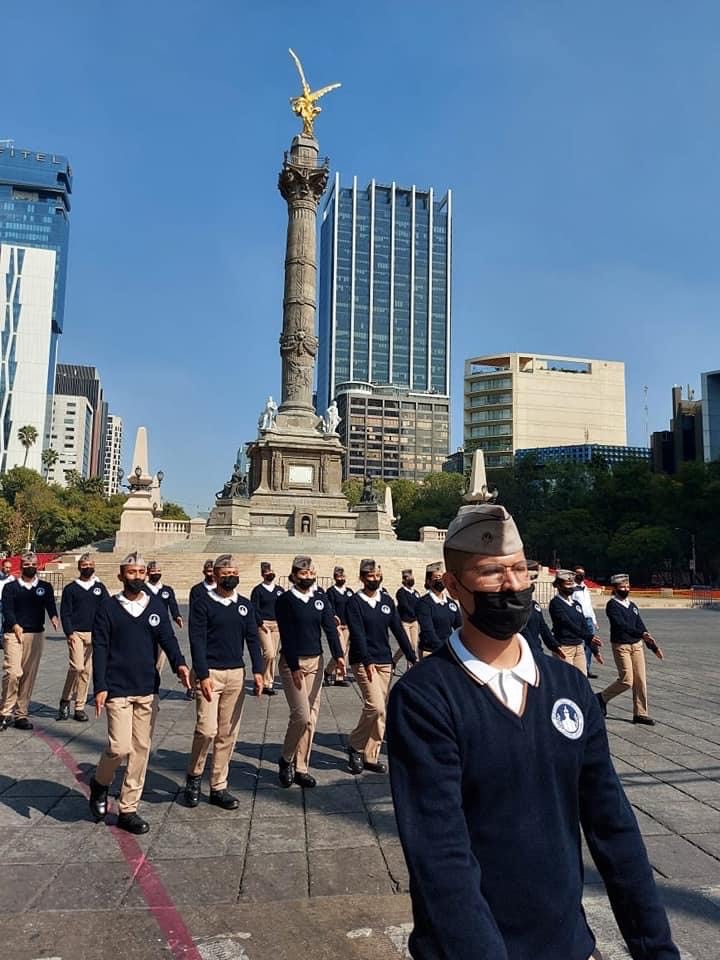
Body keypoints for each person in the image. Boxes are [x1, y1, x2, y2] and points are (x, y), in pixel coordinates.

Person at [387, 503, 681, 960]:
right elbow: (440, 856)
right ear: (453, 586)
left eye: (520, 569)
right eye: (490, 573)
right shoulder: (425, 697)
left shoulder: (568, 686)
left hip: (567, 944)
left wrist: (656, 948)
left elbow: (613, 826)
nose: (512, 585)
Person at [88, 552, 190, 834]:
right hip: (117, 687)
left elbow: (167, 638)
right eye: (131, 572)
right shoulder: (108, 608)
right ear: (121, 576)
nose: (137, 577)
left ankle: (128, 808)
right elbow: (100, 647)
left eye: (141, 572)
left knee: (141, 749)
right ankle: (100, 782)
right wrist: (100, 686)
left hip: (147, 686)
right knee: (119, 747)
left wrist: (179, 664)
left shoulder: (155, 605)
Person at [184, 554, 264, 809]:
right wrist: (203, 673)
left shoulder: (245, 605)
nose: (231, 576)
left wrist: (258, 671)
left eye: (234, 572)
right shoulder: (202, 603)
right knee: (207, 730)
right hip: (211, 673)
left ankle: (219, 785)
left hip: (236, 674)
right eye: (225, 573)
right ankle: (194, 776)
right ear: (215, 575)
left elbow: (252, 638)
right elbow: (196, 639)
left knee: (228, 732)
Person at [275, 556, 344, 789]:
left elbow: (330, 629)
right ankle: (286, 759)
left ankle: (302, 766)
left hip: (316, 660)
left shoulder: (320, 597)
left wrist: (339, 655)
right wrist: (294, 666)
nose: (307, 577)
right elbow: (286, 634)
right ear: (294, 575)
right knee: (301, 715)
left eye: (311, 573)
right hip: (292, 663)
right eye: (302, 574)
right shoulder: (285, 600)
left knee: (312, 718)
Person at [346, 559, 417, 775]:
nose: (374, 579)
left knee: (382, 711)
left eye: (377, 576)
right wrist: (366, 661)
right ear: (361, 578)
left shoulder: (386, 601)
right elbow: (357, 634)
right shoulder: (354, 602)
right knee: (374, 706)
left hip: (385, 660)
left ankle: (371, 755)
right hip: (363, 660)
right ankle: (355, 745)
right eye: (370, 576)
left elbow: (397, 629)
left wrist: (412, 657)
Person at [0, 552, 59, 731]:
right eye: (26, 564)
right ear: (22, 565)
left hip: (35, 634)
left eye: (33, 563)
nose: (30, 566)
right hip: (14, 634)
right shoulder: (11, 587)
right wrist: (15, 625)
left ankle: (21, 714)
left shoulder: (45, 587)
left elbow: (50, 604)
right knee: (13, 673)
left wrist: (54, 617)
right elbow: (7, 609)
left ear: (37, 565)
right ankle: (5, 711)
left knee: (28, 675)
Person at [598, 574, 665, 726]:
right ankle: (602, 697)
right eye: (622, 587)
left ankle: (641, 713)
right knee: (627, 680)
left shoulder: (632, 605)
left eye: (627, 587)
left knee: (640, 680)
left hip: (637, 646)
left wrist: (652, 646)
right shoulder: (612, 606)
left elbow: (640, 626)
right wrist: (640, 634)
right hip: (621, 645)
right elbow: (621, 625)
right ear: (615, 588)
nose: (625, 589)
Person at [57, 553, 109, 722]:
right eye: (85, 565)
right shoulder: (71, 588)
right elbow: (65, 613)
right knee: (77, 667)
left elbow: (108, 609)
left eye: (90, 565)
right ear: (79, 567)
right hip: (77, 633)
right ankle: (65, 699)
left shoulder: (99, 588)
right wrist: (69, 632)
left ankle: (79, 706)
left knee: (87, 671)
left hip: (94, 633)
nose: (88, 568)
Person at [549, 569, 603, 676]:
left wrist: (595, 650)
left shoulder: (576, 604)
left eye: (571, 584)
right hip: (564, 647)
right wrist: (587, 636)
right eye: (567, 584)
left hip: (578, 647)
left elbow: (584, 626)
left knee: (582, 680)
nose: (570, 587)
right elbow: (567, 624)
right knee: (566, 681)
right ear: (559, 585)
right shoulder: (556, 604)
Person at [250, 561, 284, 695]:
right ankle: (261, 680)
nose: (270, 574)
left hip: (277, 625)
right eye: (267, 572)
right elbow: (254, 608)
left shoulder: (279, 590)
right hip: (264, 624)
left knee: (272, 655)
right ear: (263, 574)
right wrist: (260, 623)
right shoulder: (258, 590)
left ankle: (267, 683)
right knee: (268, 653)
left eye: (271, 571)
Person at [416, 562, 462, 659]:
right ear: (429, 581)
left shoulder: (451, 604)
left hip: (449, 650)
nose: (439, 580)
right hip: (430, 651)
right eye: (436, 578)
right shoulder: (424, 603)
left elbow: (460, 626)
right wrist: (442, 649)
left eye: (441, 577)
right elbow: (428, 630)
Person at [324, 565, 353, 687]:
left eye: (343, 576)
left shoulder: (349, 591)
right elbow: (329, 607)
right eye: (339, 576)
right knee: (340, 649)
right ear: (335, 577)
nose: (341, 578)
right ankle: (327, 672)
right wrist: (333, 616)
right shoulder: (331, 591)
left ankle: (338, 676)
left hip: (347, 624)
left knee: (345, 651)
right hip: (337, 625)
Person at [524, 560, 560, 658]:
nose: (532, 585)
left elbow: (543, 626)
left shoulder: (534, 605)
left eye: (533, 581)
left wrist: (554, 645)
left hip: (537, 651)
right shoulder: (512, 608)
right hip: (524, 653)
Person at [573, 565, 600, 678]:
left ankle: (587, 668)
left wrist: (594, 620)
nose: (581, 575)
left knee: (590, 645)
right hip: (579, 620)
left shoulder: (585, 588)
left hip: (589, 619)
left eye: (582, 573)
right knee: (581, 645)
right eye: (578, 573)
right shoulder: (572, 589)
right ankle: (579, 669)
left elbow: (588, 605)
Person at [393, 568, 420, 667]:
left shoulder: (416, 592)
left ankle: (395, 661)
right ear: (404, 580)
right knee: (407, 644)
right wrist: (414, 613)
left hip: (414, 622)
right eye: (408, 577)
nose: (411, 579)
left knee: (413, 645)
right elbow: (404, 605)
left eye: (411, 577)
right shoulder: (401, 592)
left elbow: (419, 604)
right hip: (405, 621)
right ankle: (409, 666)